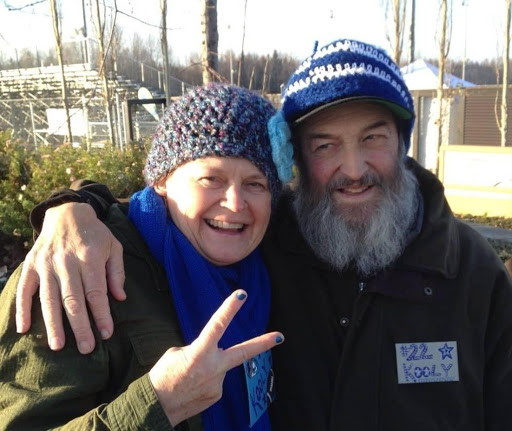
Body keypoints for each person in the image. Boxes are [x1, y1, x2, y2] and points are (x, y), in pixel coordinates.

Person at [16, 39, 512, 430]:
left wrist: (74, 207)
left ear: (402, 143)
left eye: (373, 139)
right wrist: (73, 209)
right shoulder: (267, 244)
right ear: (298, 161)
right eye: (325, 145)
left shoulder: (472, 272)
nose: (354, 168)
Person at [0, 83, 287, 430]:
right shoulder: (79, 270)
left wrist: (73, 203)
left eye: (256, 184)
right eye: (212, 178)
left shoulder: (265, 268)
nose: (236, 203)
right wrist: (158, 402)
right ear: (163, 181)